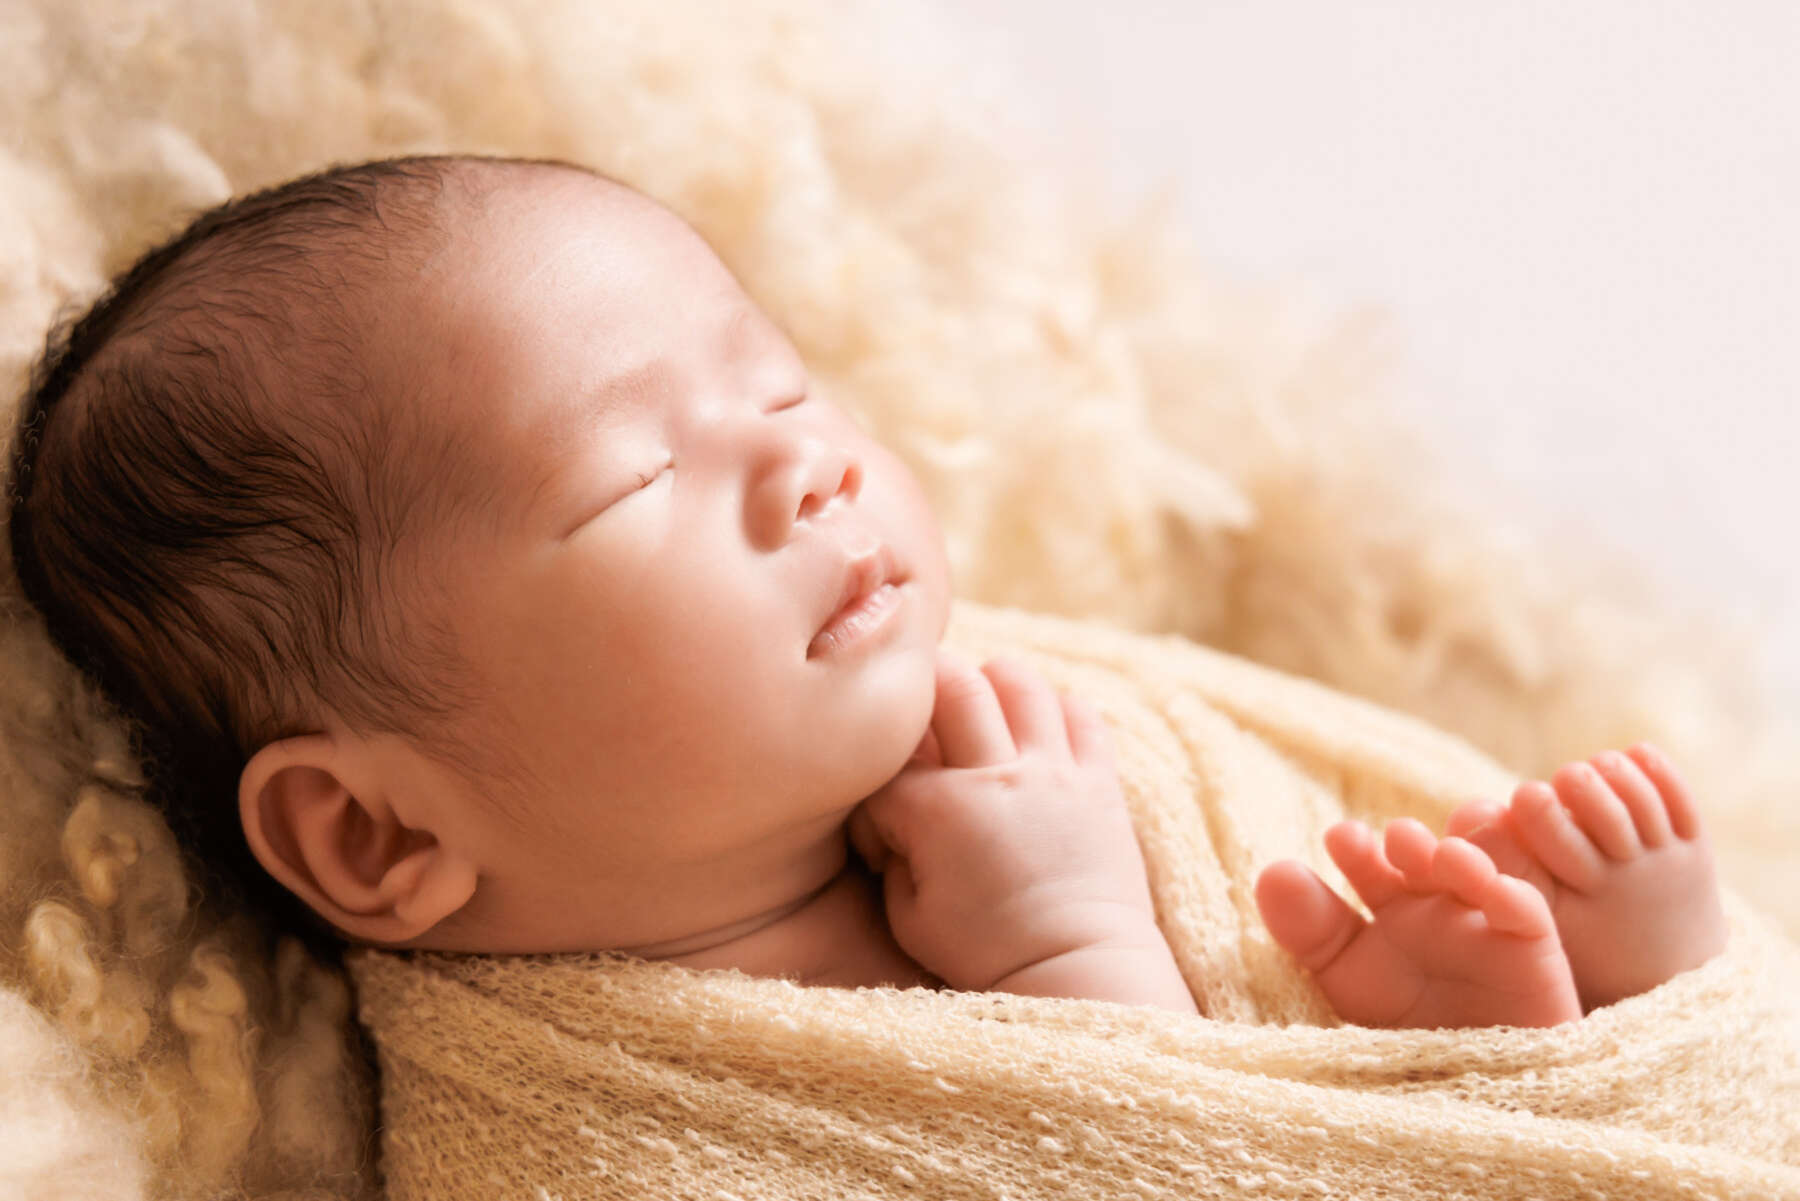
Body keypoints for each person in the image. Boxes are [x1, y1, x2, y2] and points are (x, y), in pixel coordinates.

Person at [4, 154, 1728, 1029]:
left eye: (782, 387)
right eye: (635, 478)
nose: (811, 463)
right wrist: (1078, 955)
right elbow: (1151, 1157)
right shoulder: (623, 1119)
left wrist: (1473, 1045)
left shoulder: (1045, 711)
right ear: (378, 836)